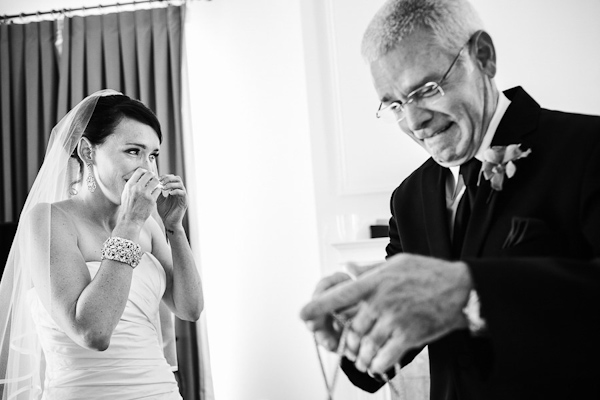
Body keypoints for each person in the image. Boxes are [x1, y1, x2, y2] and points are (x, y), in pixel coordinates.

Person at [300, 0, 600, 399]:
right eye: (393, 103)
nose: (412, 121)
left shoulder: (588, 147)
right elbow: (392, 349)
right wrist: (358, 327)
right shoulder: (408, 198)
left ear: (483, 57)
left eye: (425, 89)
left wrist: (469, 293)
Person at [0, 90, 204, 400]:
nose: (148, 170)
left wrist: (174, 227)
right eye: (133, 151)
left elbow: (191, 309)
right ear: (87, 151)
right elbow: (92, 332)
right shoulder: (49, 219)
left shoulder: (150, 225)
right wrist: (130, 224)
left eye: (153, 155)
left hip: (160, 390)